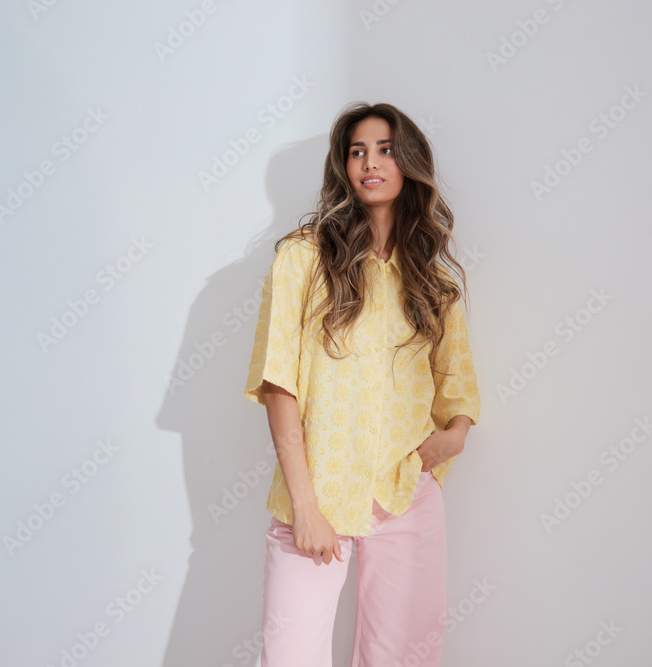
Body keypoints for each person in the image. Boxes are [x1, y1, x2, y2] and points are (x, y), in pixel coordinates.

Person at [242, 101, 481, 667]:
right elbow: (278, 385)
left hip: (404, 492)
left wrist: (454, 436)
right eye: (357, 152)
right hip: (316, 492)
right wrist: (305, 505)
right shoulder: (303, 259)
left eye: (386, 150)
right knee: (290, 656)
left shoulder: (433, 281)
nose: (370, 163)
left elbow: (458, 380)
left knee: (404, 657)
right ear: (343, 166)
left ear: (409, 164)